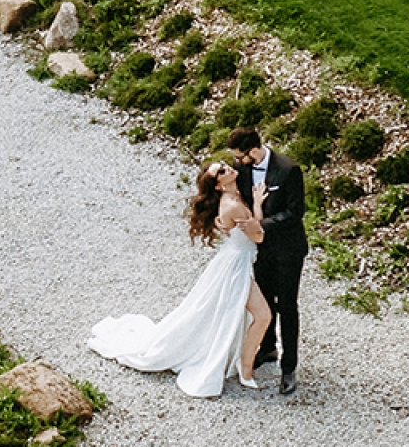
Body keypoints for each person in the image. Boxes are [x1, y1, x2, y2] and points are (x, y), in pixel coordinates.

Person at [89, 163, 274, 398]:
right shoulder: (232, 205)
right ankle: (245, 368)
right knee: (261, 315)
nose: (227, 169)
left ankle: (244, 364)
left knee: (236, 314)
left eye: (224, 167)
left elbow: (254, 231)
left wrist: (255, 205)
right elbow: (258, 236)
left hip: (236, 259)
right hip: (235, 266)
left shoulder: (235, 195)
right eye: (221, 172)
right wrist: (258, 209)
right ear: (218, 184)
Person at [228, 126, 307, 395]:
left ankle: (289, 367)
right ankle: (268, 347)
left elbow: (295, 212)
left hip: (288, 249)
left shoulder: (288, 169)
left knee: (287, 306)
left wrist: (261, 226)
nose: (237, 162)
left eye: (240, 156)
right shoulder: (242, 169)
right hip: (259, 251)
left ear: (253, 150)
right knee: (263, 301)